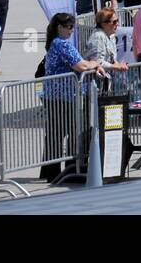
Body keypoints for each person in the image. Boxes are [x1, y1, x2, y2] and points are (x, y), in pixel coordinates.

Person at [39, 12, 107, 183]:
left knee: (58, 132)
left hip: (60, 95)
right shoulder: (60, 44)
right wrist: (95, 63)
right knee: (68, 132)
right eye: (69, 27)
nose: (71, 30)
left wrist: (90, 63)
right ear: (59, 28)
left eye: (72, 27)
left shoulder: (59, 43)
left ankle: (54, 170)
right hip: (62, 96)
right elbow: (81, 65)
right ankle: (66, 168)